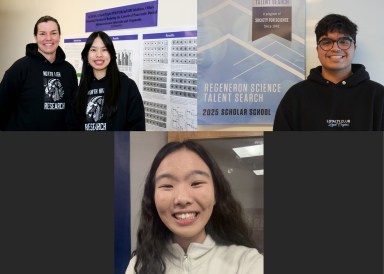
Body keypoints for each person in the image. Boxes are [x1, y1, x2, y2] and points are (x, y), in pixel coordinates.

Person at [126, 141, 263, 274]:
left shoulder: (248, 263)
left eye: (196, 183)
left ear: (216, 194)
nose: (182, 199)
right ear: (153, 198)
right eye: (167, 185)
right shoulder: (138, 266)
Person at [273, 13, 384, 131]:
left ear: (354, 48)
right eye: (326, 42)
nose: (335, 48)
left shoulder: (378, 96)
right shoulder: (295, 96)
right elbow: (281, 149)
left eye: (344, 41)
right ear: (317, 49)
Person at [0, 15, 78, 130]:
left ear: (59, 36)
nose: (48, 38)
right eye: (42, 33)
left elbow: (73, 111)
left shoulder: (69, 70)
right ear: (35, 37)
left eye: (53, 33)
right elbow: (2, 107)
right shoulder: (20, 67)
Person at [68, 31, 145, 131]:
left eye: (104, 49)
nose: (99, 55)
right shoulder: (81, 89)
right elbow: (72, 125)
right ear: (86, 56)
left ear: (111, 54)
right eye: (93, 50)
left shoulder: (128, 86)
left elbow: (137, 127)